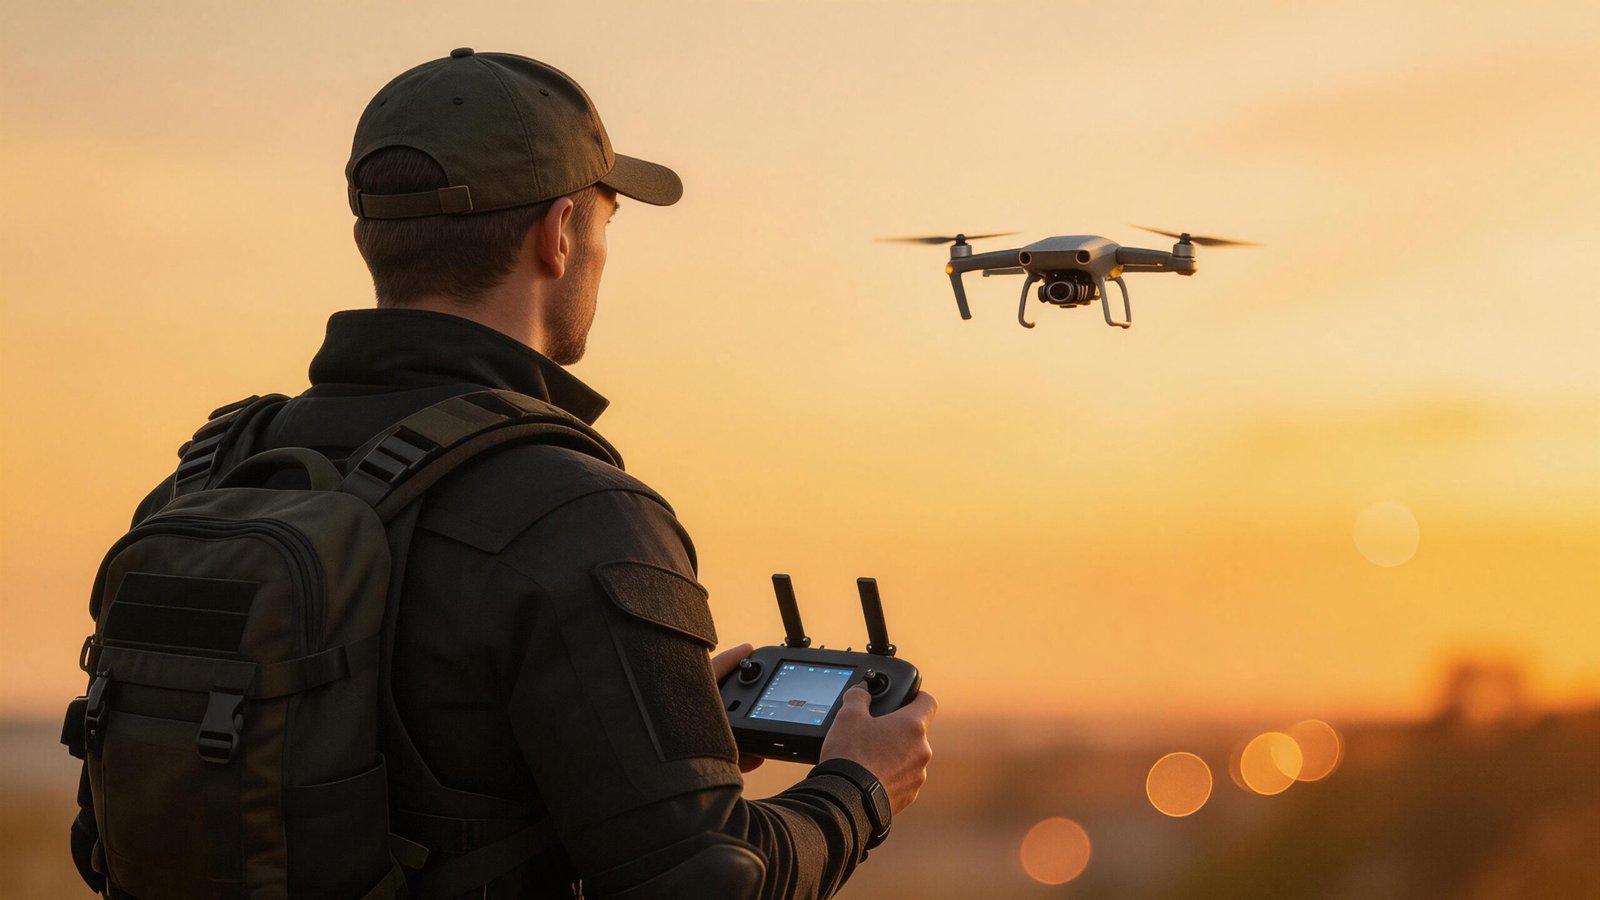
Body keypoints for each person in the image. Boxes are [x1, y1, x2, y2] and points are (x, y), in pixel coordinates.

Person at [78, 49, 936, 899]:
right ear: (559, 235)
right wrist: (860, 790)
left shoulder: (214, 471)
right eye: (605, 223)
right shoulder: (576, 511)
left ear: (368, 237)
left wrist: (649, 723)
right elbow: (707, 879)